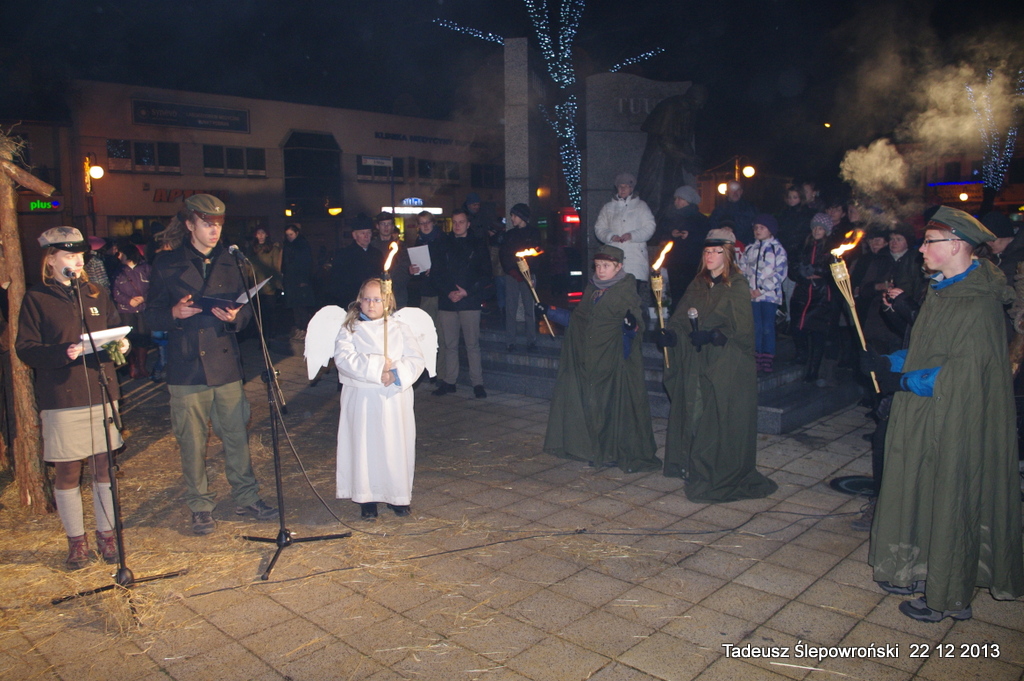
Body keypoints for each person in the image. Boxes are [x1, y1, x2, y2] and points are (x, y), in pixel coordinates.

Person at [864, 206, 1023, 622]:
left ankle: (948, 595)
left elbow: (961, 375)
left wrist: (902, 381)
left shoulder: (977, 302)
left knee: (952, 494)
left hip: (957, 418)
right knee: (923, 489)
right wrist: (887, 361)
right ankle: (918, 571)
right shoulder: (942, 289)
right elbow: (927, 349)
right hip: (927, 412)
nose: (921, 249)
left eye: (929, 242)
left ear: (956, 245)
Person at [145, 194, 277, 535]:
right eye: (207, 224)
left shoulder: (232, 261)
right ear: (190, 224)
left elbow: (247, 313)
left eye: (218, 224)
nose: (214, 231)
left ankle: (246, 496)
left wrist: (236, 317)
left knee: (236, 434)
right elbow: (150, 315)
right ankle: (200, 505)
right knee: (191, 440)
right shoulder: (167, 263)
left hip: (224, 362)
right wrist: (173, 313)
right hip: (187, 364)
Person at [16, 227, 127, 568]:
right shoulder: (37, 298)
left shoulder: (95, 292)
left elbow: (113, 327)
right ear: (51, 260)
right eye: (69, 255)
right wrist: (62, 351)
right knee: (67, 470)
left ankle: (106, 535)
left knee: (103, 466)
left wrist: (120, 345)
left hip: (100, 389)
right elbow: (26, 348)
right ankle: (76, 541)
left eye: (80, 255)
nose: (78, 262)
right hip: (63, 394)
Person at [657, 228, 777, 502]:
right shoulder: (698, 284)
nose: (710, 256)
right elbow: (680, 318)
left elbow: (743, 333)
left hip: (724, 365)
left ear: (728, 254)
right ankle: (692, 464)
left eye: (717, 251)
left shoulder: (737, 285)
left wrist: (714, 335)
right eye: (707, 251)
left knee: (714, 416)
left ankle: (712, 468)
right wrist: (671, 335)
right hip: (696, 362)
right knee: (694, 410)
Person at [541, 245, 660, 473]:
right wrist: (550, 310)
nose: (601, 270)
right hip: (590, 357)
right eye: (597, 266)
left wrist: (630, 326)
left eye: (606, 266)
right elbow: (578, 320)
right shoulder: (592, 289)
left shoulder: (625, 291)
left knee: (611, 407)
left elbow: (637, 324)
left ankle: (612, 452)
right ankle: (593, 448)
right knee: (592, 404)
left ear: (619, 267)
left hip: (615, 360)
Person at [333, 279, 427, 520]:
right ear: (359, 300)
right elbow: (343, 359)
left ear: (387, 301)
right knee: (365, 447)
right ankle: (366, 497)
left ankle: (397, 495)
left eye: (377, 299)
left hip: (392, 399)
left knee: (393, 447)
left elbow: (416, 359)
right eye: (367, 299)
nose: (371, 304)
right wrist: (377, 367)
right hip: (363, 399)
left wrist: (395, 374)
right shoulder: (350, 329)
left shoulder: (399, 328)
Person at [432, 208, 491, 398]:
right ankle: (450, 381)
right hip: (448, 302)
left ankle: (477, 383)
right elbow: (437, 272)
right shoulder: (443, 244)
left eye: (461, 222)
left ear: (468, 224)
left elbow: (486, 274)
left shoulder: (478, 244)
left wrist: (468, 291)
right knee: (449, 345)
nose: (457, 226)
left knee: (472, 345)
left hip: (470, 301)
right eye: (455, 222)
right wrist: (449, 291)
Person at [594, 173, 657, 320]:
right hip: (613, 258)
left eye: (626, 186)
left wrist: (633, 235)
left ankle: (633, 322)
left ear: (632, 188)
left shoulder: (641, 206)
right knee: (614, 294)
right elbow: (599, 228)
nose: (623, 189)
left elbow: (650, 227)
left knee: (633, 295)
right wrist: (611, 236)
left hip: (635, 259)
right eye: (620, 186)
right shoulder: (608, 208)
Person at [790, 212, 837, 384]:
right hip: (802, 293)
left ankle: (813, 370)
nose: (817, 231)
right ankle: (801, 356)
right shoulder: (803, 245)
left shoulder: (831, 249)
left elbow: (835, 271)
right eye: (815, 227)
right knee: (797, 327)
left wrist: (818, 271)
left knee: (818, 333)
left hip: (821, 295)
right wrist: (801, 274)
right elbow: (793, 267)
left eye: (821, 228)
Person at [739, 215, 788, 373]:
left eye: (762, 228)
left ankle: (767, 356)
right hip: (752, 296)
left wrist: (761, 289)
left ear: (770, 230)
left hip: (768, 296)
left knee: (767, 326)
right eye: (756, 228)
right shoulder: (750, 249)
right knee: (755, 326)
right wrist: (747, 288)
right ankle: (756, 356)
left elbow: (779, 273)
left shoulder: (777, 249)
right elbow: (742, 269)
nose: (758, 231)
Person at [656, 185, 710, 311]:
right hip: (675, 262)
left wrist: (691, 236)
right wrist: (671, 233)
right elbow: (660, 234)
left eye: (680, 199)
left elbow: (706, 238)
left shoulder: (701, 219)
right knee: (676, 294)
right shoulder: (671, 218)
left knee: (692, 293)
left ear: (688, 201)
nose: (676, 202)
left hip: (692, 262)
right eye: (676, 199)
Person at [498, 203, 542, 352]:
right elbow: (504, 254)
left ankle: (531, 340)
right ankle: (510, 341)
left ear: (522, 216)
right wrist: (512, 271)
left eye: (514, 215)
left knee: (529, 307)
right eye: (511, 215)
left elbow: (537, 254)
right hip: (512, 276)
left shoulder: (534, 233)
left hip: (528, 275)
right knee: (511, 308)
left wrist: (531, 273)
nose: (512, 218)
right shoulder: (509, 234)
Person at [408, 210, 446, 380]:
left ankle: (441, 373)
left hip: (441, 293)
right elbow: (416, 271)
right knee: (426, 335)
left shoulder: (442, 240)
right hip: (426, 293)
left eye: (427, 222)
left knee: (441, 336)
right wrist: (413, 270)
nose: (425, 226)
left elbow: (448, 264)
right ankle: (430, 371)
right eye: (421, 223)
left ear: (433, 223)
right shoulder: (419, 242)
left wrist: (436, 269)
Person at [111, 238, 152, 379]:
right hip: (125, 311)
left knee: (143, 339)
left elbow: (155, 287)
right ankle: (132, 367)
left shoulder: (146, 268)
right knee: (130, 340)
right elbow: (115, 291)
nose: (118, 256)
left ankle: (142, 366)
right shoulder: (118, 271)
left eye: (121, 254)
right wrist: (128, 301)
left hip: (143, 309)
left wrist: (144, 298)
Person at [330, 215, 384, 310]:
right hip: (351, 302)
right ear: (354, 235)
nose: (366, 236)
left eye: (368, 232)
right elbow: (337, 283)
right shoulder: (344, 255)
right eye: (363, 233)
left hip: (373, 302)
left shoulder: (377, 254)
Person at [246, 227, 283, 338]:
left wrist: (276, 283)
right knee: (259, 311)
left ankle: (272, 332)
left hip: (268, 284)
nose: (261, 235)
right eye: (258, 233)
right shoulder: (252, 249)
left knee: (270, 311)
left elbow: (276, 267)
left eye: (263, 233)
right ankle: (260, 333)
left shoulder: (272, 249)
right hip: (255, 285)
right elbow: (248, 266)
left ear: (266, 235)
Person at [281, 223, 316, 341]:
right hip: (291, 280)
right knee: (295, 306)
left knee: (302, 307)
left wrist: (304, 279)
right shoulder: (287, 245)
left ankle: (304, 328)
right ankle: (299, 327)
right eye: (287, 235)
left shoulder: (302, 245)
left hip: (300, 280)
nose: (289, 237)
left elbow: (306, 263)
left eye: (291, 234)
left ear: (296, 233)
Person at [371, 211, 411, 309]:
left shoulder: (401, 246)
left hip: (398, 295)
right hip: (377, 295)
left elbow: (405, 269)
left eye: (388, 224)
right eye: (383, 224)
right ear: (377, 226)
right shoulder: (372, 247)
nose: (386, 227)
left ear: (393, 227)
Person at [709, 180, 757, 245]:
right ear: (727, 192)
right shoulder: (719, 210)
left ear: (741, 192)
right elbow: (713, 227)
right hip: (725, 245)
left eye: (738, 190)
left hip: (745, 245)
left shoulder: (750, 209)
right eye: (732, 190)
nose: (735, 193)